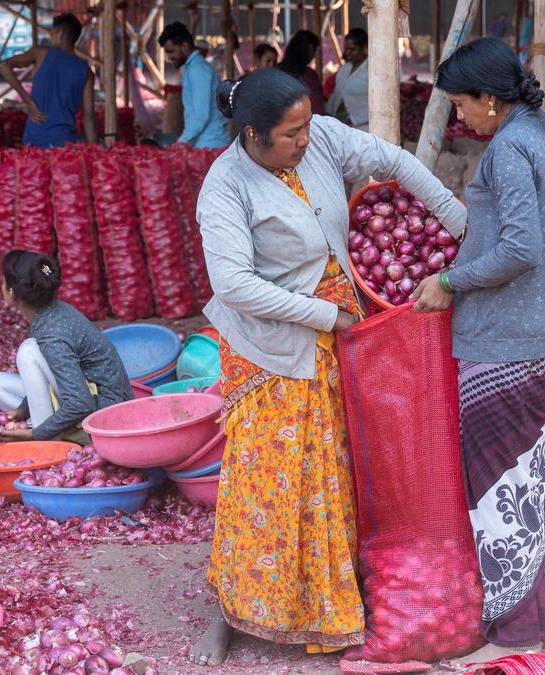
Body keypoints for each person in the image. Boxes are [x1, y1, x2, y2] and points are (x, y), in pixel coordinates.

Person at [187, 68, 466, 667]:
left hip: (342, 332)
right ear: (253, 135)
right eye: (291, 135)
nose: (305, 141)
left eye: (308, 126)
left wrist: (455, 217)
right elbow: (232, 284)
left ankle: (341, 595)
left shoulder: (321, 138)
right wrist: (322, 315)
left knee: (339, 466)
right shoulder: (225, 188)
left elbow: (392, 158)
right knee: (272, 479)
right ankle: (236, 609)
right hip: (273, 347)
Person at [412, 37, 545, 661]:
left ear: (490, 97)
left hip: (506, 341)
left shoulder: (510, 148)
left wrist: (451, 279)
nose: (460, 118)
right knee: (530, 473)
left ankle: (515, 628)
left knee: (495, 483)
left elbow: (520, 248)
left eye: (461, 105)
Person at [0, 251, 132, 445]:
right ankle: (46, 425)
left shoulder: (52, 335)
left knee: (29, 352)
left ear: (11, 291)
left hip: (104, 416)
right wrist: (22, 410)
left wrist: (36, 434)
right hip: (85, 393)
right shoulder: (53, 311)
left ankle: (46, 440)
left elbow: (81, 403)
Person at [1, 13, 97, 148]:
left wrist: (28, 101)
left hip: (34, 139)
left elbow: (4, 65)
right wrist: (94, 151)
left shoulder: (41, 53)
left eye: (53, 33)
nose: (51, 37)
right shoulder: (86, 71)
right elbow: (89, 117)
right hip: (65, 141)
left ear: (61, 33)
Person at [159, 21, 229, 149]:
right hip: (205, 143)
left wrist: (181, 142)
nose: (169, 57)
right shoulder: (193, 68)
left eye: (171, 51)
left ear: (185, 46)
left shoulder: (198, 70)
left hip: (210, 145)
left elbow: (200, 115)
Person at [325, 29, 369, 131]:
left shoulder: (372, 71)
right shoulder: (344, 69)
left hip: (362, 125)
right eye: (346, 49)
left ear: (365, 48)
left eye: (352, 49)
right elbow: (336, 94)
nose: (347, 53)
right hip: (339, 123)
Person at [278, 30, 325, 113]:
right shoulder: (310, 76)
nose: (314, 56)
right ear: (310, 48)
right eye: (314, 51)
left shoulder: (275, 71)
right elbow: (317, 109)